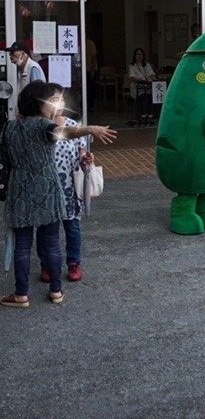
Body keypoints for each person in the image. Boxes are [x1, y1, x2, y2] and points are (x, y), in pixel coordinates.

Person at [0, 81, 117, 308]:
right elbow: (66, 132)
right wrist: (90, 129)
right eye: (49, 101)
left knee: (22, 244)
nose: (53, 106)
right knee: (52, 242)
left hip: (19, 188)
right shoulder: (44, 126)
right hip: (46, 187)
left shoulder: (9, 127)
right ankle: (56, 291)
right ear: (39, 103)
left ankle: (21, 294)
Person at [37, 83, 92, 284]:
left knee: (72, 226)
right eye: (52, 99)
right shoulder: (38, 126)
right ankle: (46, 264)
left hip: (68, 187)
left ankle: (74, 262)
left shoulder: (72, 125)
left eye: (60, 99)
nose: (57, 103)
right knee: (45, 228)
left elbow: (82, 153)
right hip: (45, 187)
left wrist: (86, 159)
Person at [129, 48, 156, 124]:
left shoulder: (147, 65)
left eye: (141, 54)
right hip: (137, 87)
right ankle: (142, 115)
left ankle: (150, 115)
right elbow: (131, 76)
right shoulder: (132, 66)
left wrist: (152, 77)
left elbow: (152, 73)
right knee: (143, 96)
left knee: (150, 96)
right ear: (134, 56)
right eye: (137, 54)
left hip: (147, 87)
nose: (139, 56)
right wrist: (138, 79)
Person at [85, 37, 98, 113]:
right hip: (82, 70)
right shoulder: (78, 43)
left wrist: (93, 70)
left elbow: (94, 58)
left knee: (91, 88)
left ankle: (91, 106)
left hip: (90, 69)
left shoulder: (90, 43)